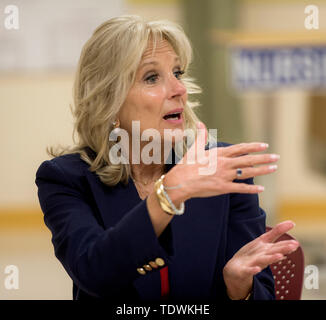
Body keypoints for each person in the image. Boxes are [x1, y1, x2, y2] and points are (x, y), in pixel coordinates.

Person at [35, 15, 299, 301]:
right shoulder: (66, 179)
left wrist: (239, 287)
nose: (179, 90)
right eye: (152, 77)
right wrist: (170, 193)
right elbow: (95, 272)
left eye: (178, 73)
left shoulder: (223, 169)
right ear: (109, 100)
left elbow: (263, 294)